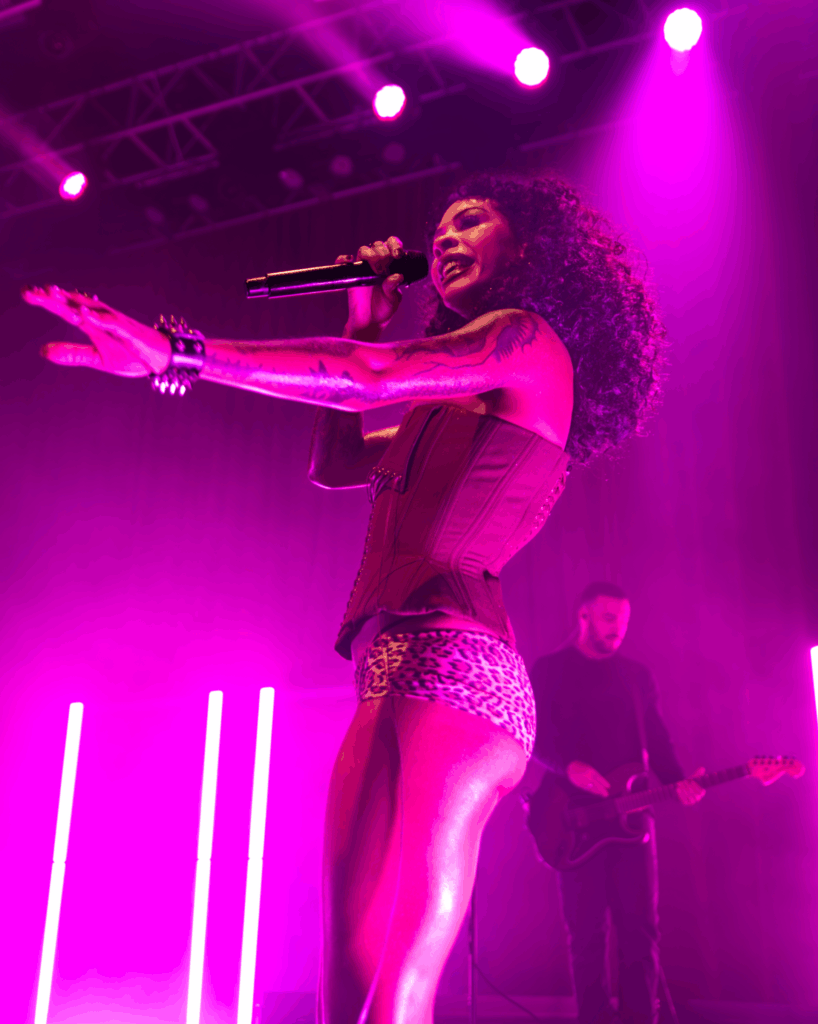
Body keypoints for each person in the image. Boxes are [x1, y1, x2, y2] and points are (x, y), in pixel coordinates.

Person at [24, 173, 667, 1024]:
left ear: (528, 249)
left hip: (454, 668)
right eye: (440, 226)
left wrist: (177, 353)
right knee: (354, 998)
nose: (445, 237)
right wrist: (362, 320)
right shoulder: (457, 398)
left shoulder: (526, 339)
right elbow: (336, 458)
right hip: (405, 667)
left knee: (386, 1001)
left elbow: (370, 377)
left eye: (472, 220)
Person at [530, 582, 705, 1024]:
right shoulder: (549, 670)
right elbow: (530, 736)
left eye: (624, 621)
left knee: (640, 931)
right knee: (586, 934)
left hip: (632, 820)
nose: (618, 629)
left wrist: (680, 783)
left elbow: (658, 741)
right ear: (584, 616)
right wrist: (568, 766)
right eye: (609, 618)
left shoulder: (636, 676)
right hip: (573, 819)